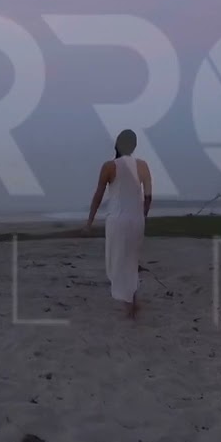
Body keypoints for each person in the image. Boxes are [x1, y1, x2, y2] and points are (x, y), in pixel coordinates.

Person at [84, 129, 153, 318]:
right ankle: (133, 302)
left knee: (117, 263)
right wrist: (143, 216)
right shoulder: (143, 166)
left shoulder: (109, 166)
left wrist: (90, 220)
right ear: (134, 146)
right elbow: (148, 197)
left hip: (117, 221)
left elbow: (98, 195)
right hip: (136, 220)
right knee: (131, 261)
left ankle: (129, 306)